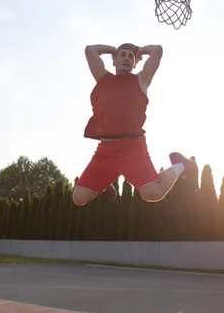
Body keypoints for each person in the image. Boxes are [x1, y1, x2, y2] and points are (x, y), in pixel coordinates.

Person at [72, 42, 198, 206]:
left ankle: (181, 165)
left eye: (130, 56)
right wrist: (114, 50)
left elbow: (157, 50)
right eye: (122, 55)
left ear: (135, 62)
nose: (126, 58)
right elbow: (90, 50)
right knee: (79, 198)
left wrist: (139, 51)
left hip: (132, 149)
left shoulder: (142, 80)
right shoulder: (103, 78)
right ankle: (103, 185)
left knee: (153, 193)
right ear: (114, 61)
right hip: (105, 152)